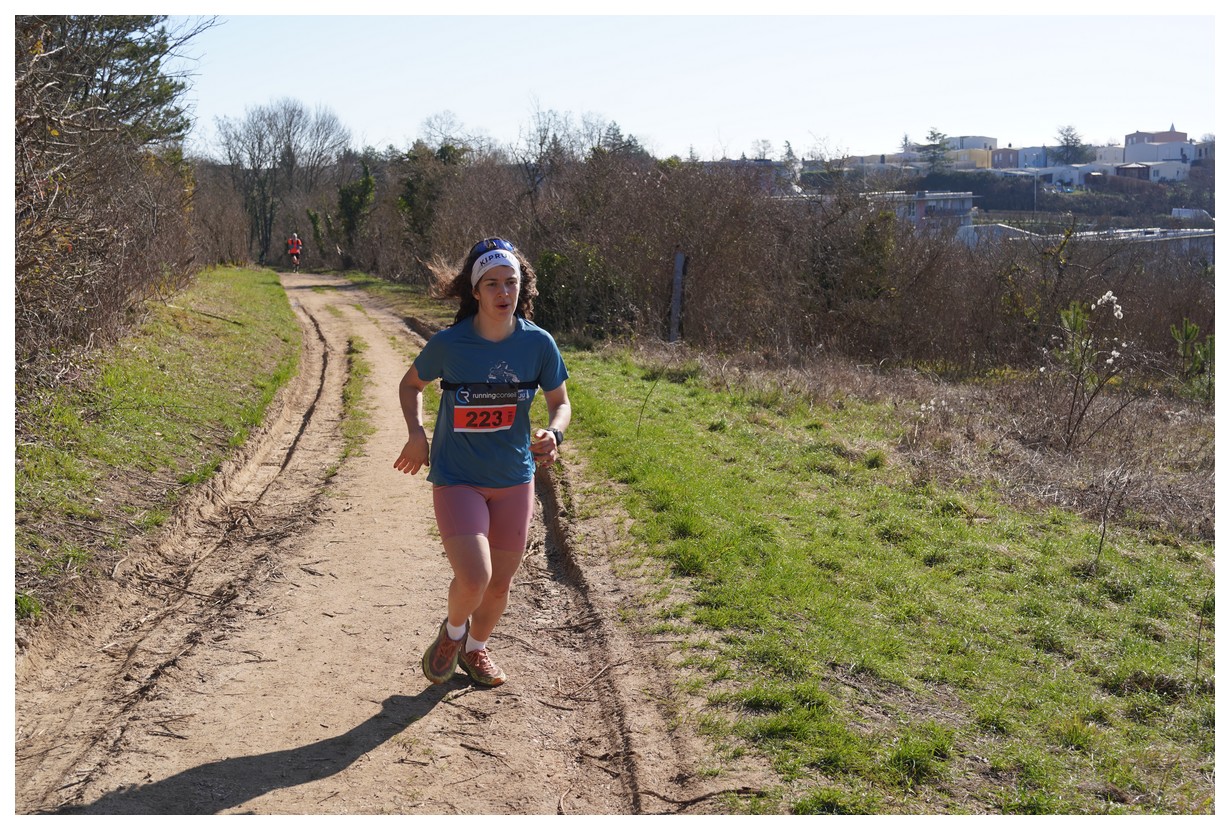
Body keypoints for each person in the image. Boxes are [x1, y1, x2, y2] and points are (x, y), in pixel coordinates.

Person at [393, 237, 571, 687]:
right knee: (475, 577)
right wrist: (416, 433)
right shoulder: (450, 344)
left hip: (514, 478)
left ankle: (476, 648)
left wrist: (554, 433)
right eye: (491, 283)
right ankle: (453, 635)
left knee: (499, 585)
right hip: (459, 478)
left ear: (521, 288)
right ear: (475, 291)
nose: (502, 292)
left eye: (510, 282)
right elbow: (411, 385)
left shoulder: (539, 344)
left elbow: (561, 402)